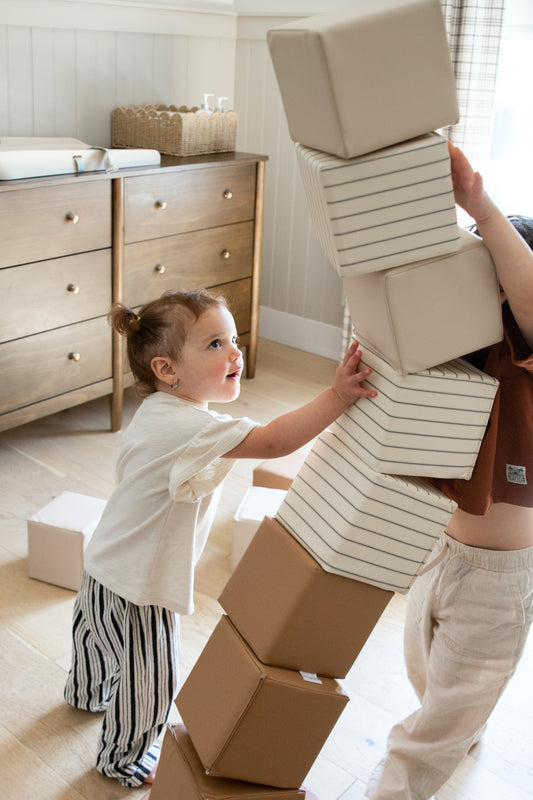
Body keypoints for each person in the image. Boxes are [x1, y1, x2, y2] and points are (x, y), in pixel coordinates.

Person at [63, 288, 377, 787]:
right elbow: (274, 441)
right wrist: (338, 396)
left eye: (234, 339)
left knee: (97, 639)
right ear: (168, 371)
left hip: (104, 561)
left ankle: (85, 692)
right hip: (140, 585)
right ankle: (122, 758)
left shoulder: (161, 413)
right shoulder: (190, 428)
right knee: (152, 678)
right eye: (214, 345)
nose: (235, 352)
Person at [365, 143, 533, 799]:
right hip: (438, 552)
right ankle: (458, 726)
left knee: (433, 721)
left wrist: (482, 212)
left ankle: (403, 782)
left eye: (487, 270)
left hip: (497, 581)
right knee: (428, 674)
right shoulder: (455, 347)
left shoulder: (523, 352)